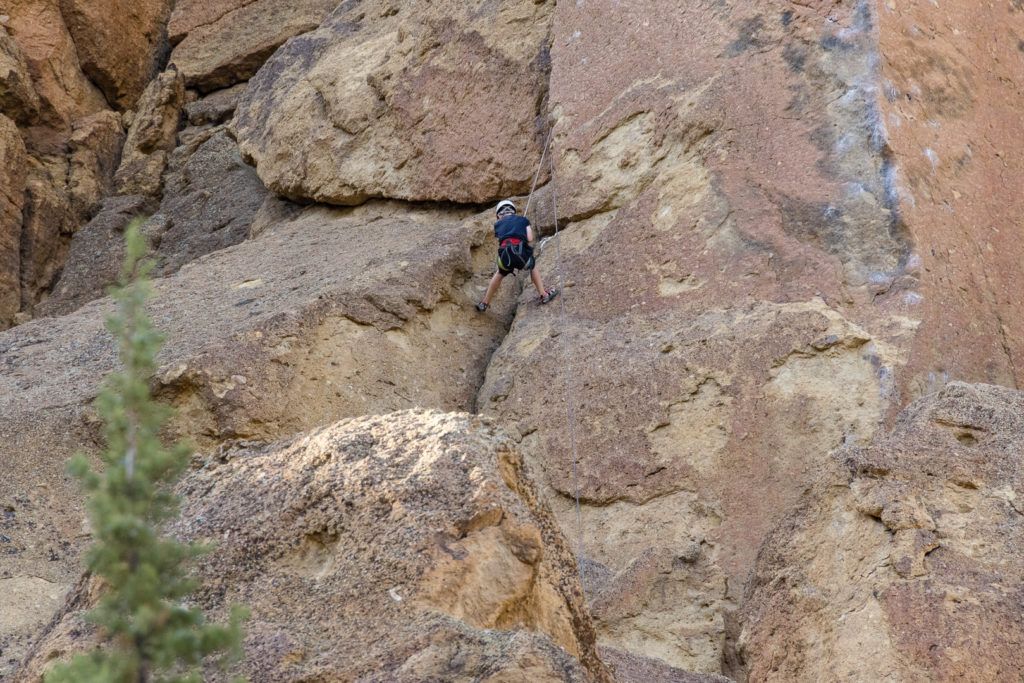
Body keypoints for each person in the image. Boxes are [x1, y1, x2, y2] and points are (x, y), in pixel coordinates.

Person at [476, 199, 558, 312]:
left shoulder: (497, 224)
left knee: (499, 273)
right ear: (513, 211)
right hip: (521, 255)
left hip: (505, 257)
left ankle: (484, 302)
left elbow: (502, 237)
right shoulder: (523, 220)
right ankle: (543, 294)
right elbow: (530, 238)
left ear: (498, 215)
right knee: (532, 266)